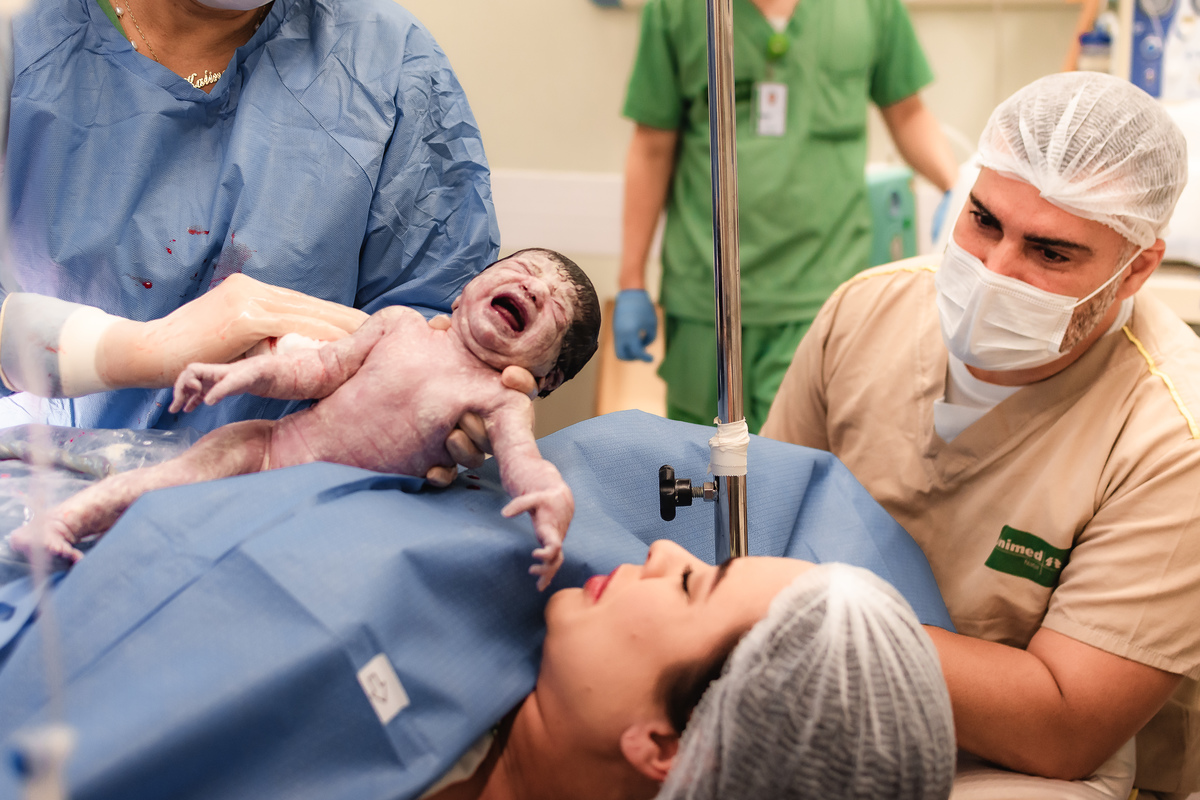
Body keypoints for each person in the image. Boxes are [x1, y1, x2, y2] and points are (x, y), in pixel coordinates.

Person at [762, 71, 1200, 798]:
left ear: (1135, 270)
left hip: (1039, 767)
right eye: (983, 220)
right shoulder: (866, 313)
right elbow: (765, 522)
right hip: (833, 705)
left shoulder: (1170, 439)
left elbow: (1065, 726)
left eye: (1050, 253)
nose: (993, 271)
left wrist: (800, 610)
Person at [1, 0, 499, 434]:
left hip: (284, 499)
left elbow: (431, 318)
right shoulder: (24, 39)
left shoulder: (385, 62)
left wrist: (431, 398)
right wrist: (137, 350)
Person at [10, 249, 602, 589]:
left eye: (556, 302)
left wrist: (550, 505)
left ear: (546, 376)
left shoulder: (503, 402)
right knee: (164, 482)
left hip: (346, 507)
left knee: (228, 562)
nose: (534, 286)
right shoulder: (399, 325)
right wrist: (235, 373)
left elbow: (525, 463)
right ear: (463, 290)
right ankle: (62, 523)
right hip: (271, 446)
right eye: (525, 268)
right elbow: (316, 371)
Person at [614, 0, 958, 432]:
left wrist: (955, 186)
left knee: (795, 469)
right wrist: (631, 282)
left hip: (821, 290)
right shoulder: (678, 9)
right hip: (708, 293)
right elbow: (652, 144)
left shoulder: (871, 8)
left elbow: (907, 112)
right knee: (704, 470)